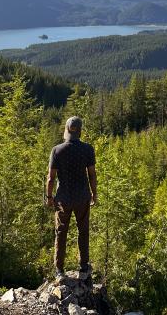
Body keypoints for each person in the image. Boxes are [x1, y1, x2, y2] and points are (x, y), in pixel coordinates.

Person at [46, 115, 97, 281]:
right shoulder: (88, 149)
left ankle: (60, 271)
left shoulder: (57, 150)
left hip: (63, 198)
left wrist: (49, 196)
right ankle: (83, 268)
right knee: (83, 231)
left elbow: (51, 178)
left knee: (61, 232)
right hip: (82, 196)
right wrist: (94, 194)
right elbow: (92, 175)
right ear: (80, 131)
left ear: (67, 130)